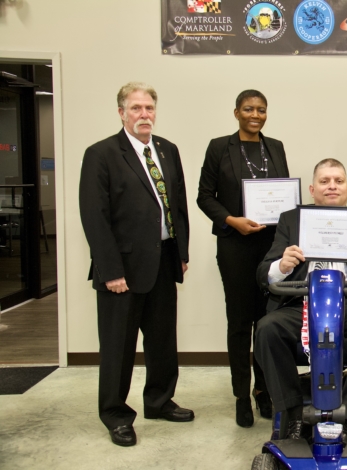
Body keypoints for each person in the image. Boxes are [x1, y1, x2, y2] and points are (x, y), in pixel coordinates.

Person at [79, 82, 193, 447]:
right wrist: (110, 270)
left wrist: (182, 252)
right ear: (121, 113)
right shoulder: (101, 154)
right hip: (122, 269)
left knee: (162, 340)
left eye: (149, 108)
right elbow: (94, 217)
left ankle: (159, 401)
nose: (144, 114)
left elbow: (178, 205)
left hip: (162, 260)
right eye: (136, 108)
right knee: (118, 345)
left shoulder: (167, 150)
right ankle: (115, 414)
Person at [254, 159, 347, 444]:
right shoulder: (290, 220)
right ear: (312, 189)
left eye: (338, 181)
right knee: (267, 329)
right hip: (300, 303)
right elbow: (263, 273)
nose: (332, 186)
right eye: (325, 181)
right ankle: (292, 414)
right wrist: (282, 265)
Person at [197, 90, 288, 428]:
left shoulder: (275, 147)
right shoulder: (219, 147)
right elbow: (204, 196)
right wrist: (231, 220)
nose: (255, 114)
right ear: (236, 112)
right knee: (239, 323)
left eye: (261, 109)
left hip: (271, 248)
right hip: (236, 245)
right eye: (248, 109)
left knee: (268, 321)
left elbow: (283, 193)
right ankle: (241, 396)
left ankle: (264, 391)